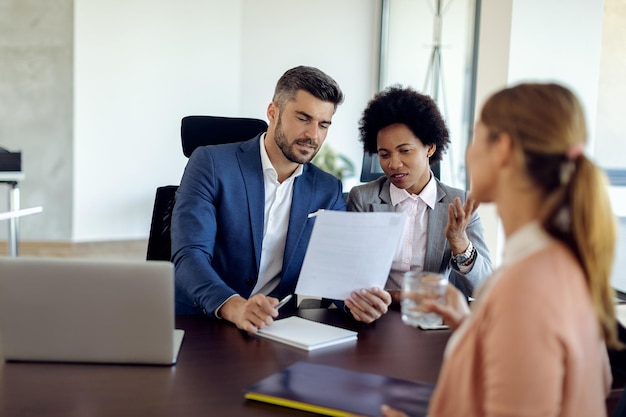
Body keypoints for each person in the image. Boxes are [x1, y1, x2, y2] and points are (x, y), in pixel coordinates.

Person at [382, 83, 621, 417]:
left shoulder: (524, 288)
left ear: (504, 149)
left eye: (477, 135)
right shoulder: (564, 265)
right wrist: (473, 329)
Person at [171, 66, 389, 333]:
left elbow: (334, 272)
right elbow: (190, 255)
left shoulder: (327, 189)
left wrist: (356, 302)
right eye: (303, 118)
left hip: (272, 330)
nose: (313, 135)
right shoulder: (211, 164)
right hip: (201, 324)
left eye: (323, 125)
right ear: (273, 112)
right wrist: (235, 305)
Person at [347, 86, 492, 306]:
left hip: (432, 320)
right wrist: (395, 297)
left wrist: (460, 243)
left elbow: (484, 288)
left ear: (430, 148)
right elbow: (349, 276)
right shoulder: (363, 199)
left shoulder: (459, 204)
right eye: (384, 154)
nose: (393, 164)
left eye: (405, 150)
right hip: (376, 316)